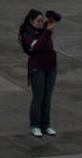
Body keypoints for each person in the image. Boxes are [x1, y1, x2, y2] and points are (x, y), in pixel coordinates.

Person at [18, 8, 60, 137]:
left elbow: (58, 18)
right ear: (31, 21)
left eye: (42, 21)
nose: (41, 23)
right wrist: (47, 32)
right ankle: (35, 125)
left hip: (50, 67)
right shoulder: (27, 34)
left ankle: (46, 124)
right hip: (37, 69)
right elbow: (37, 47)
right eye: (38, 21)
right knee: (38, 98)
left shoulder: (45, 27)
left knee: (47, 98)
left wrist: (52, 16)